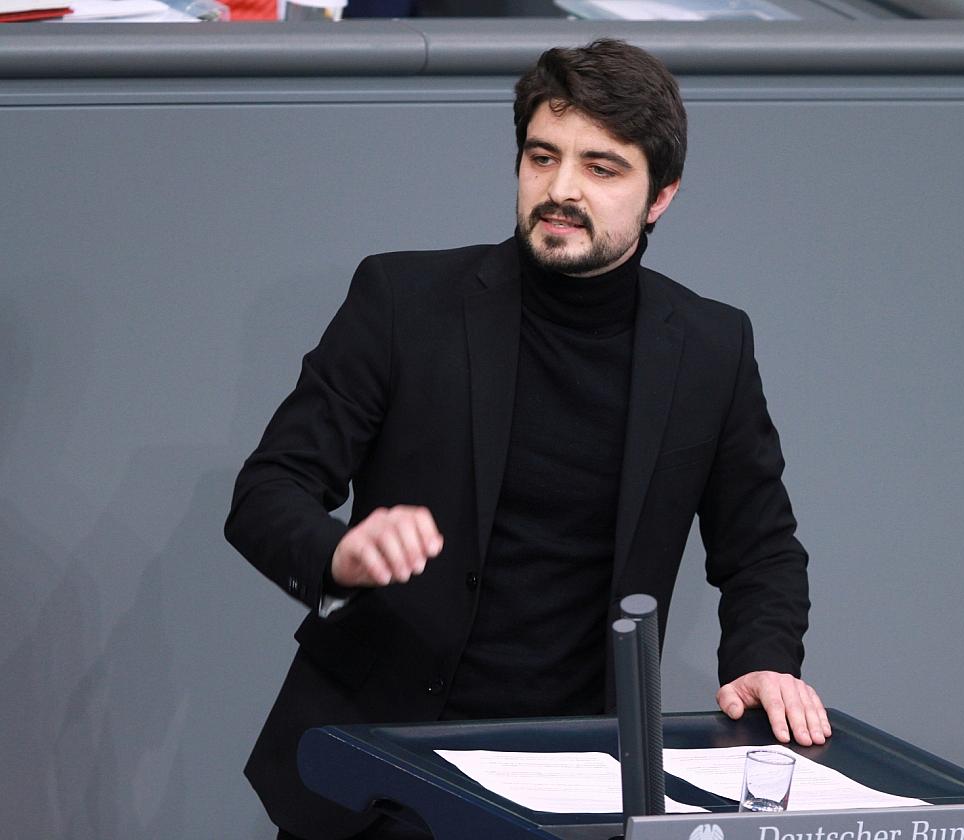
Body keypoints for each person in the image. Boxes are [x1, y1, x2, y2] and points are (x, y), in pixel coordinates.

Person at [225, 38, 830, 840]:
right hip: (379, 765)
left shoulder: (711, 349)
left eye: (601, 168)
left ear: (661, 197)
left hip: (579, 779)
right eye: (543, 157)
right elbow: (268, 491)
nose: (561, 188)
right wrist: (339, 556)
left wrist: (762, 660)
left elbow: (762, 548)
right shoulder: (404, 301)